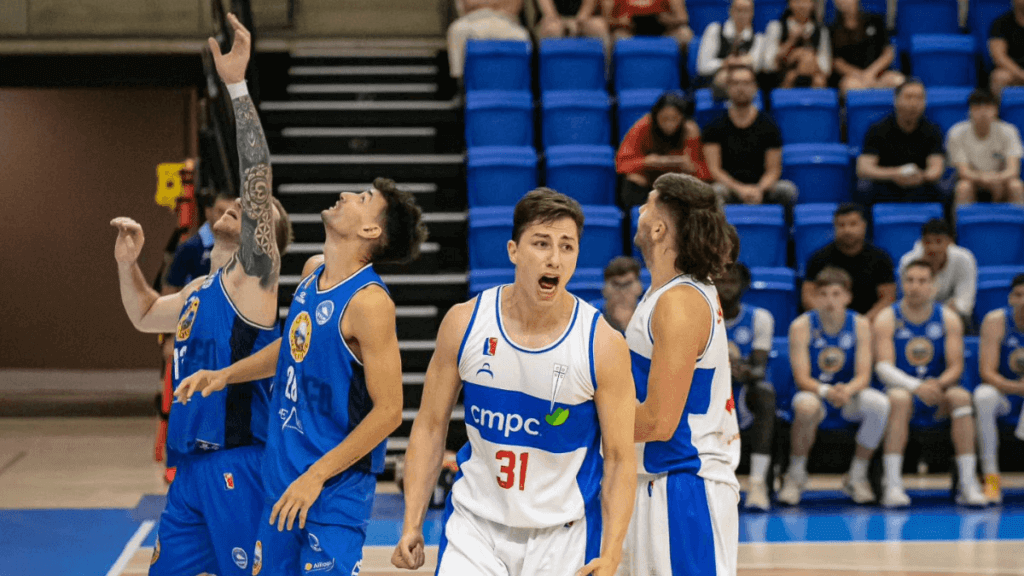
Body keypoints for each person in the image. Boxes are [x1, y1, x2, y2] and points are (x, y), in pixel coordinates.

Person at [113, 14, 293, 575]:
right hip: (189, 467)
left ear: (268, 236)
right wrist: (128, 265)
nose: (235, 205)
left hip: (239, 461)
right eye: (232, 205)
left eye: (255, 210)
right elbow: (144, 314)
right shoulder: (200, 286)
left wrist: (236, 87)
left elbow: (257, 174)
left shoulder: (253, 280)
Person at [177, 174, 428, 575]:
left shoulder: (370, 304)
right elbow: (294, 347)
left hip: (332, 491)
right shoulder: (313, 272)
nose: (346, 194)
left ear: (370, 229)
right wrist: (225, 374)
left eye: (362, 198)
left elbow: (390, 412)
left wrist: (316, 475)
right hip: (282, 482)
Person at [390, 188, 637, 576]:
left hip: (563, 534)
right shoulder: (465, 322)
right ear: (513, 251)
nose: (555, 258)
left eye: (567, 246)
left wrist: (612, 552)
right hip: (475, 526)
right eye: (541, 243)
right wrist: (412, 522)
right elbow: (430, 425)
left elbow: (621, 460)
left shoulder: (602, 344)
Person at [619, 173, 739, 575]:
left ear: (658, 228)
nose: (639, 209)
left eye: (648, 202)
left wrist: (576, 416)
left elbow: (658, 421)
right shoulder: (672, 294)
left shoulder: (680, 303)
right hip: (666, 485)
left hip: (681, 487)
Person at [873, 259, 987, 508]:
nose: (915, 286)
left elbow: (956, 366)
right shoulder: (886, 317)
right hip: (904, 390)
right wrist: (916, 387)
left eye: (922, 281)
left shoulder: (948, 318)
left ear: (933, 286)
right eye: (910, 280)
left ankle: (968, 484)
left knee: (960, 397)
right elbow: (883, 367)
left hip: (938, 391)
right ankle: (892, 485)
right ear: (902, 284)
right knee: (898, 399)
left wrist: (936, 385)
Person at [779, 267, 889, 506]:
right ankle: (795, 476)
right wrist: (828, 391)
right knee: (806, 407)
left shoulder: (860, 324)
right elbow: (802, 378)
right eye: (824, 294)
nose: (830, 301)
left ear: (848, 297)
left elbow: (863, 376)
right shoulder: (801, 325)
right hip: (815, 395)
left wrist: (846, 391)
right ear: (815, 297)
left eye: (837, 294)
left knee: (879, 404)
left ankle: (857, 476)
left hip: (848, 395)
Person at [718, 260, 776, 511]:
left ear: (744, 286)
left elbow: (759, 369)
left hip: (742, 390)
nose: (727, 287)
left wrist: (742, 370)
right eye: (721, 281)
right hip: (710, 390)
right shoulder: (701, 315)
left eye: (732, 282)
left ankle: (758, 483)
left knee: (765, 393)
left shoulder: (759, 318)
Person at [703, 65, 798, 206]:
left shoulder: (769, 125)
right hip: (729, 188)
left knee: (788, 190)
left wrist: (758, 189)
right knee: (714, 192)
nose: (741, 88)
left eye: (746, 83)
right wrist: (740, 189)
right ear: (728, 87)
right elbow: (715, 170)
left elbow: (774, 170)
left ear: (755, 87)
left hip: (762, 188)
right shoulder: (714, 125)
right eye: (736, 83)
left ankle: (784, 228)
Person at [973, 274, 1024, 504]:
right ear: (1010, 298)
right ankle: (991, 479)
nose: (1023, 301)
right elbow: (987, 372)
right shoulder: (996, 321)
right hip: (1006, 393)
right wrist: (1015, 387)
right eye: (1019, 295)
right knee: (983, 396)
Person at [856, 80, 947, 206]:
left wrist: (921, 176)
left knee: (943, 189)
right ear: (896, 100)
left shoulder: (933, 130)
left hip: (919, 183)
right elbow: (864, 168)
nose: (914, 103)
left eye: (919, 98)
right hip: (886, 183)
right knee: (864, 188)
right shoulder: (877, 129)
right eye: (908, 97)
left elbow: (936, 168)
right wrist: (895, 174)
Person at [803, 203, 896, 322]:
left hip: (869, 324)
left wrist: (862, 323)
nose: (847, 230)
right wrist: (829, 318)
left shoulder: (881, 258)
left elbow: (888, 298)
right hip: (827, 322)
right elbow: (808, 297)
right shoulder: (818, 258)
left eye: (853, 224)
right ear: (834, 227)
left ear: (864, 226)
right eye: (841, 225)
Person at [616, 91, 711, 206]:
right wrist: (647, 162)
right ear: (655, 116)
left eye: (674, 119)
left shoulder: (690, 131)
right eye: (664, 119)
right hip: (649, 184)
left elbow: (703, 172)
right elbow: (622, 164)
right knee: (633, 179)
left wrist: (689, 165)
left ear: (682, 118)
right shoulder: (643, 126)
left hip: (678, 186)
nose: (669, 124)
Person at [897, 219, 977, 330]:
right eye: (928, 242)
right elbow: (909, 296)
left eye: (938, 241)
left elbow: (965, 300)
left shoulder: (965, 259)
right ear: (921, 242)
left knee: (964, 318)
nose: (932, 247)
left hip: (954, 314)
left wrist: (951, 310)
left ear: (949, 242)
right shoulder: (908, 262)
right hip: (918, 311)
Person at [947, 89, 1024, 205]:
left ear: (996, 110)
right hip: (972, 181)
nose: (983, 113)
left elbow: (1013, 170)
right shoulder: (956, 132)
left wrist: (996, 178)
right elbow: (964, 171)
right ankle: (962, 223)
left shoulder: (1009, 131)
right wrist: (983, 178)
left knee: (1016, 186)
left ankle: (1018, 222)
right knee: (963, 187)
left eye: (988, 107)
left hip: (1001, 180)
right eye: (977, 108)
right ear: (969, 111)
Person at [165, 189, 236, 291]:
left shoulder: (242, 248)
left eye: (231, 214)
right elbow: (170, 289)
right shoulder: (189, 248)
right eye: (220, 212)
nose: (225, 218)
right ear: (208, 212)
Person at [828, 0, 903, 93]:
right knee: (850, 86)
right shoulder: (832, 29)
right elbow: (837, 63)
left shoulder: (875, 20)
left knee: (898, 81)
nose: (845, 2)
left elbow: (888, 53)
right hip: (852, 77)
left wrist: (871, 73)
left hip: (877, 73)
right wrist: (862, 76)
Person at [695, 0, 766, 94]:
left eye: (746, 11)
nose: (742, 15)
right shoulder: (715, 30)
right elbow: (703, 67)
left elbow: (755, 65)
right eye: (738, 10)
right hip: (713, 81)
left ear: (752, 13)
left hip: (744, 81)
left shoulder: (758, 38)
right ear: (731, 11)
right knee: (723, 77)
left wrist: (735, 63)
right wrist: (725, 63)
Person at [447, 0, 531, 79]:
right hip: (473, 19)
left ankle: (519, 82)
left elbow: (514, 5)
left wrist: (481, 3)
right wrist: (496, 3)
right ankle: (459, 82)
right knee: (456, 30)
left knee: (522, 36)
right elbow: (468, 4)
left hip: (504, 18)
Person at [763, 0, 832, 89]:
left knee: (819, 80)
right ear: (789, 4)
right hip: (781, 76)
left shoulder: (821, 31)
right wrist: (791, 41)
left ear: (813, 4)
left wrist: (804, 59)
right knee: (790, 76)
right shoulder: (776, 26)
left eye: (806, 2)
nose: (801, 6)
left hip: (812, 75)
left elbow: (826, 68)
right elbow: (768, 64)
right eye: (797, 1)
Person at [590, 255, 644, 333]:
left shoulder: (650, 316)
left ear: (639, 288)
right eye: (616, 284)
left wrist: (627, 326)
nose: (622, 292)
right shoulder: (589, 315)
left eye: (628, 284)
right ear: (604, 290)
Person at [605, 0, 693, 45]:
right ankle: (613, 76)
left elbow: (683, 18)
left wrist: (667, 19)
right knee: (618, 36)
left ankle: (685, 76)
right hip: (629, 31)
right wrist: (620, 21)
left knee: (685, 33)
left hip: (663, 30)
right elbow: (607, 20)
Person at [534, 0, 610, 47]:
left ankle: (606, 71)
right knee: (553, 29)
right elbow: (549, 13)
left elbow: (588, 5)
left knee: (599, 26)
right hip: (553, 21)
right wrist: (562, 23)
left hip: (581, 20)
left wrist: (578, 22)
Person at [988, 0, 1024, 96]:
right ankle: (999, 110)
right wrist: (1021, 74)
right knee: (999, 77)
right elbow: (999, 57)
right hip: (1014, 74)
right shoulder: (1001, 24)